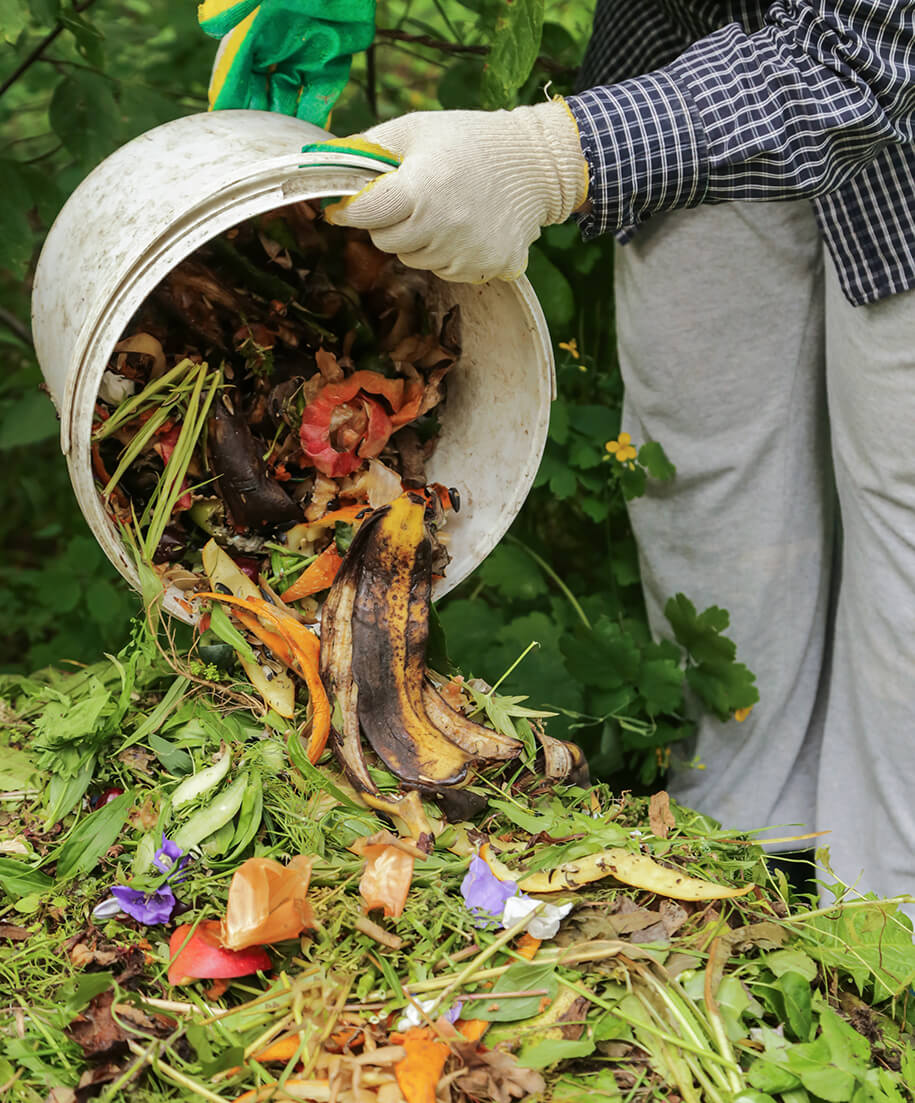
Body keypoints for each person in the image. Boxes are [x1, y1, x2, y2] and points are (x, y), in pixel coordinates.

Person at [322, 1, 915, 914]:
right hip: (687, 49)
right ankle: (745, 849)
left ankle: (882, 919)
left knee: (902, 503)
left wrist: (551, 157)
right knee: (696, 469)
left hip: (886, 98)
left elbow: (869, 47)